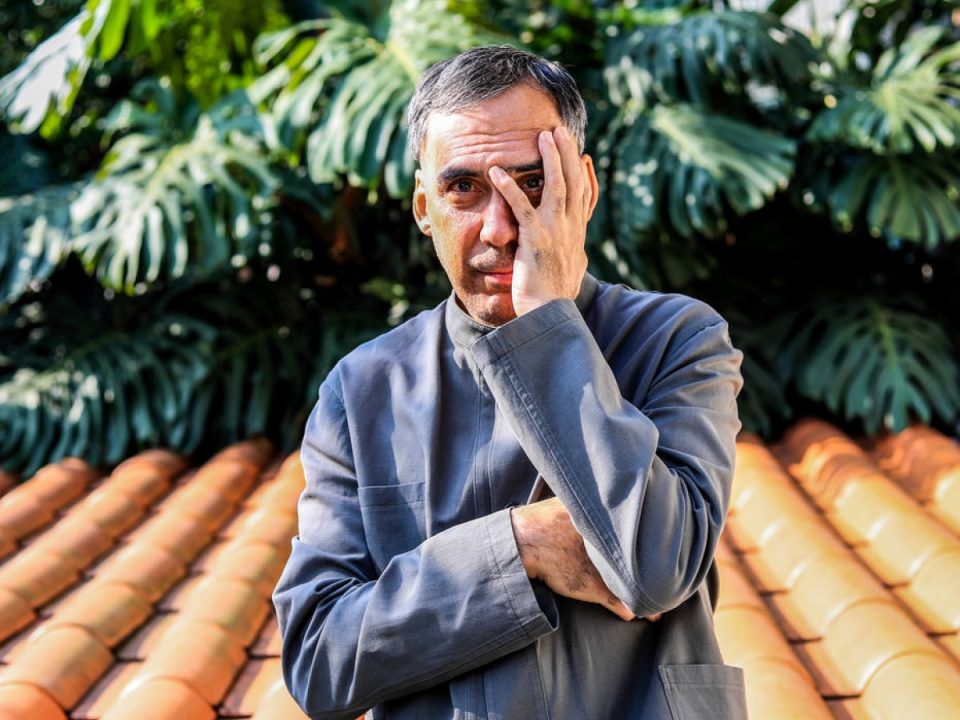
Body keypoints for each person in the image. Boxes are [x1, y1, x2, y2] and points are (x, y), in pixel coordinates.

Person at [274, 45, 746, 720]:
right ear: (424, 207)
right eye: (464, 189)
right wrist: (519, 547)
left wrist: (548, 320)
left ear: (582, 188)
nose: (500, 230)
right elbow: (320, 661)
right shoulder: (363, 392)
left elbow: (656, 567)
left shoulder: (673, 341)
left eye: (531, 183)